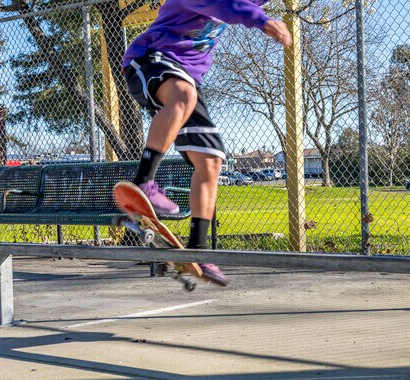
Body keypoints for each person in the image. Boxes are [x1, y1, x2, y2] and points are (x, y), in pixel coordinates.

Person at [122, 0, 291, 286]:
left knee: (211, 161)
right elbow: (228, 5)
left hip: (186, 80)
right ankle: (143, 182)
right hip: (151, 60)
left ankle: (198, 249)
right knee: (183, 96)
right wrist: (262, 21)